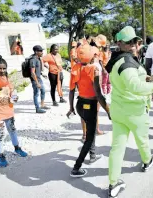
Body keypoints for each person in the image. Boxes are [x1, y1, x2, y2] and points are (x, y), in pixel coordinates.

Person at [106, 26, 153, 198]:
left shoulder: (117, 59)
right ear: (119, 43)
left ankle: (113, 183)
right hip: (134, 111)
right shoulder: (127, 64)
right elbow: (136, 87)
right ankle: (147, 161)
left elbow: (132, 80)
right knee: (142, 141)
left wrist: (146, 77)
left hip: (118, 110)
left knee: (117, 148)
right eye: (128, 42)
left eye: (135, 41)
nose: (133, 45)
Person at [67, 43, 110, 177]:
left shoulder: (75, 68)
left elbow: (71, 91)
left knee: (90, 131)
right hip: (90, 105)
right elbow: (98, 93)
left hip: (80, 105)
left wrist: (71, 108)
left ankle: (92, 155)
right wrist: (108, 110)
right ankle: (76, 167)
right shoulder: (93, 70)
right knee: (89, 138)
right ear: (91, 56)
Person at [0, 54, 27, 167]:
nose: (2, 70)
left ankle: (17, 148)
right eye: (0, 68)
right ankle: (0, 155)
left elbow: (12, 90)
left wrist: (15, 96)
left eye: (4, 68)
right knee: (0, 134)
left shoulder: (6, 76)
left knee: (12, 130)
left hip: (8, 109)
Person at [30, 45, 50, 113]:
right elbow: (32, 73)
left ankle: (42, 105)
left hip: (39, 78)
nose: (42, 52)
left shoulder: (38, 58)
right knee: (36, 94)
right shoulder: (33, 60)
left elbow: (37, 70)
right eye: (40, 51)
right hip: (35, 80)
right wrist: (37, 83)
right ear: (36, 52)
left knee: (43, 91)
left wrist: (42, 74)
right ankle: (37, 108)